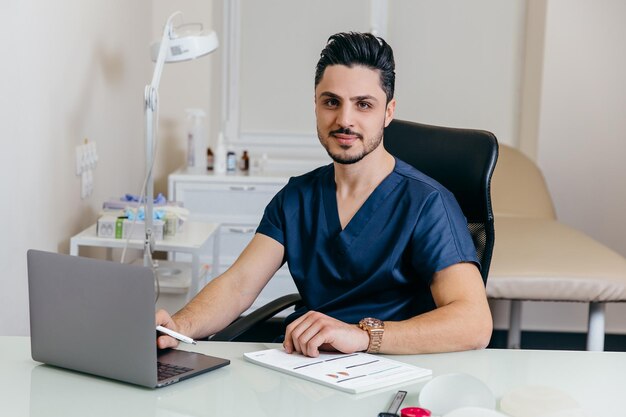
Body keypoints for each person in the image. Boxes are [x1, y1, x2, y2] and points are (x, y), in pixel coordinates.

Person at [157, 32, 493, 357]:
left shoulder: (427, 203)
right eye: (331, 102)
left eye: (363, 105)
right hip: (308, 364)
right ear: (316, 105)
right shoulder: (297, 198)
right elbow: (238, 285)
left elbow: (474, 323)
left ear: (388, 112)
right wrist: (177, 326)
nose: (344, 120)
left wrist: (362, 336)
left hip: (391, 365)